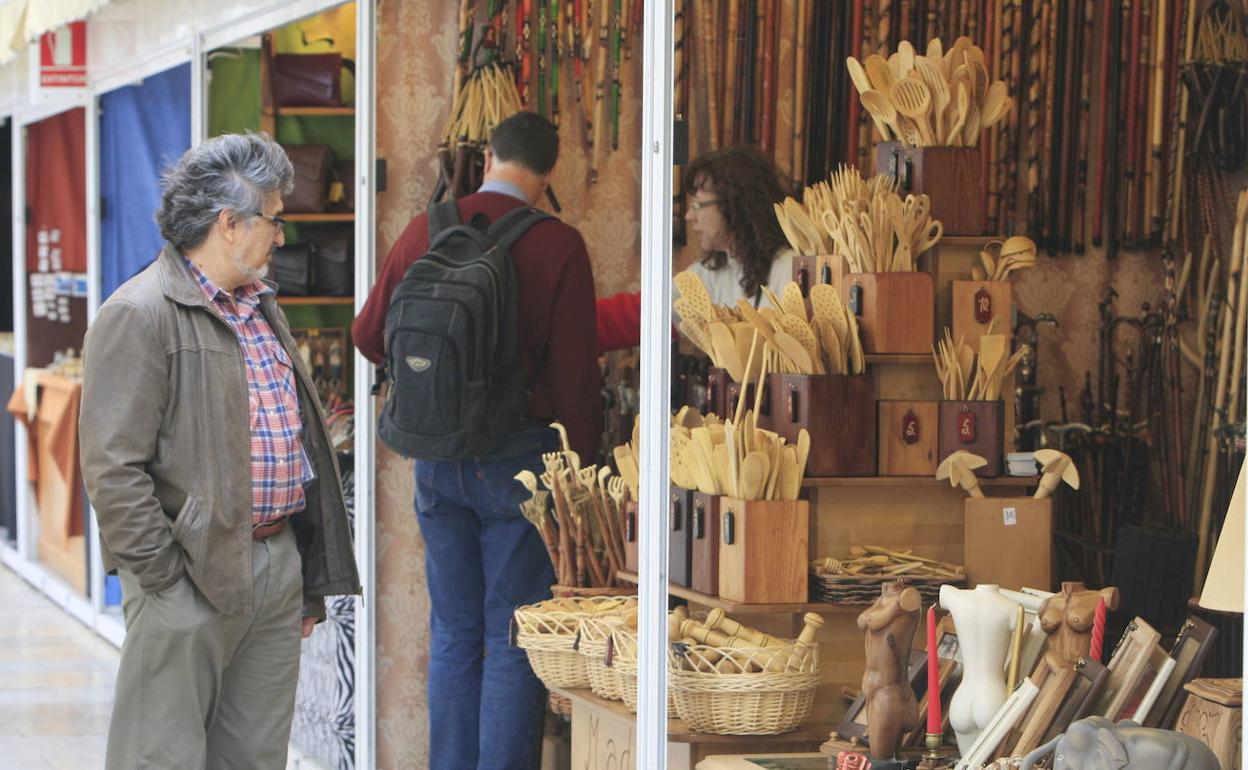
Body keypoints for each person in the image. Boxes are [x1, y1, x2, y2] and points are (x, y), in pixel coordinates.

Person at [79, 133, 361, 770]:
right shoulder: (139, 312)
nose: (282, 236)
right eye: (274, 218)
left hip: (274, 565)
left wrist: (302, 582)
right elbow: (112, 469)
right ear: (229, 224)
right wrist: (165, 582)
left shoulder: (261, 308)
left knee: (255, 758)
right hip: (189, 574)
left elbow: (295, 440)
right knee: (163, 758)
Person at [352, 110, 601, 770]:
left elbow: (367, 334)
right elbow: (578, 380)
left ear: (488, 158)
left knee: (455, 632)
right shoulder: (559, 246)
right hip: (519, 463)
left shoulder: (424, 232)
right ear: (548, 177)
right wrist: (585, 473)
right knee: (513, 634)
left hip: (436, 459)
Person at [597, 145, 795, 352]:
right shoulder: (708, 274)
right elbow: (638, 316)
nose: (689, 216)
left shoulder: (790, 268)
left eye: (698, 205)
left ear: (734, 205)